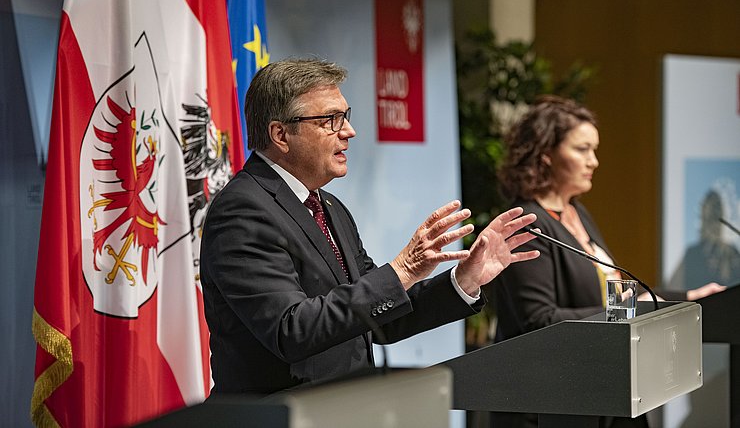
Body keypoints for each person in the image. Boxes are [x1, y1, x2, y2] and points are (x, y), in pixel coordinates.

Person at [199, 58, 540, 396]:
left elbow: (380, 318)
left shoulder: (329, 207)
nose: (349, 131)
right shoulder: (242, 209)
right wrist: (403, 269)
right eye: (330, 120)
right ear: (280, 134)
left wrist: (463, 281)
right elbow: (292, 330)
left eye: (344, 117)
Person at [489, 96, 725, 428]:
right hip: (550, 406)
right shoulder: (527, 223)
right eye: (582, 149)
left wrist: (686, 298)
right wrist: (627, 311)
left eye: (594, 150)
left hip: (602, 392)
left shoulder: (576, 213)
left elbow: (617, 297)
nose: (594, 161)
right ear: (546, 157)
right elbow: (538, 322)